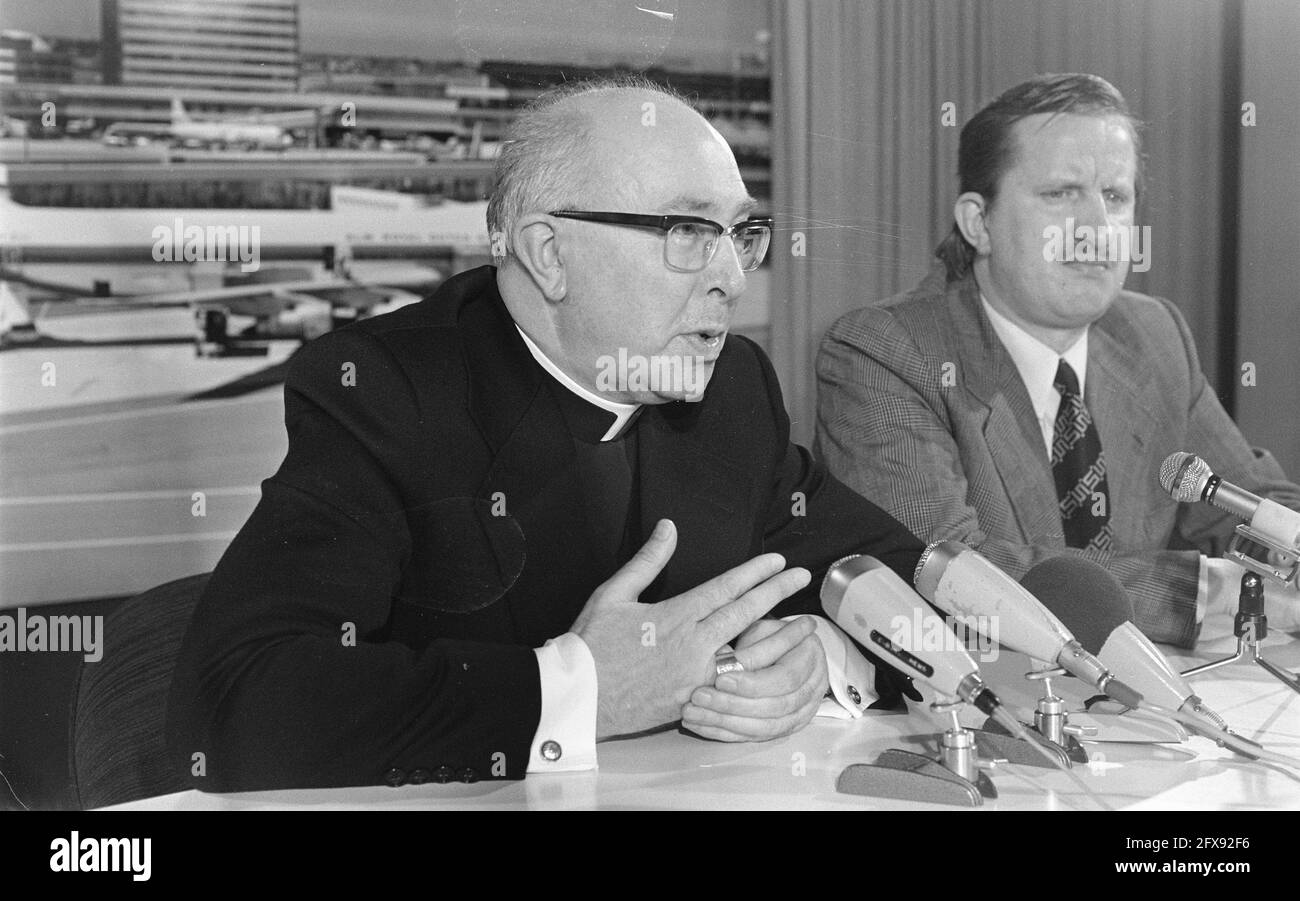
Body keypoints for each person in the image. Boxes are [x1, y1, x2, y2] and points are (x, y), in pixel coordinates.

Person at [167, 78, 925, 792]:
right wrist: (578, 688)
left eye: (741, 233)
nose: (733, 275)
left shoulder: (730, 388)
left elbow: (907, 581)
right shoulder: (389, 392)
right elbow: (239, 697)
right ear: (549, 255)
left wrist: (823, 655)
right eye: (690, 231)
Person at [816, 73, 1300, 649]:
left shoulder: (1154, 333)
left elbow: (1250, 506)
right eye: (1061, 194)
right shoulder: (885, 351)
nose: (1097, 229)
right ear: (979, 223)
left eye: (1115, 198)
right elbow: (940, 568)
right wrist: (1190, 592)